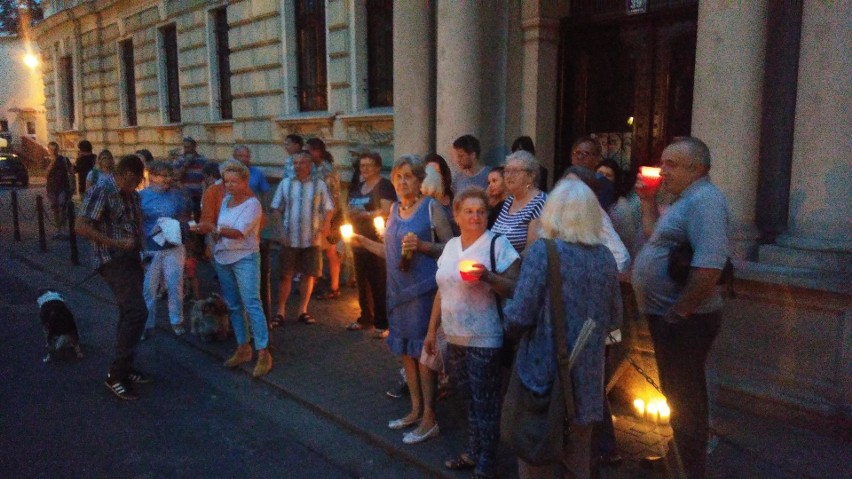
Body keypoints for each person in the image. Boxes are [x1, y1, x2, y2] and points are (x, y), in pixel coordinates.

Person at [504, 179, 623, 479]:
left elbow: (519, 315)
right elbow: (614, 319)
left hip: (543, 375)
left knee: (536, 456)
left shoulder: (543, 252)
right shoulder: (606, 258)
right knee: (577, 459)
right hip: (587, 380)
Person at [632, 137, 729, 479]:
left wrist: (680, 312)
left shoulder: (706, 202)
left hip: (686, 321)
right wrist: (647, 201)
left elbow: (710, 267)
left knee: (686, 399)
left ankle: (689, 470)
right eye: (663, 162)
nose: (663, 170)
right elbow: (652, 237)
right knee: (676, 394)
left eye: (671, 164)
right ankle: (678, 459)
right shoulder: (683, 202)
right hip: (671, 318)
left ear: (697, 168)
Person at [352, 154, 454, 445]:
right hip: (398, 294)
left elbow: (450, 247)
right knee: (406, 353)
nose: (402, 181)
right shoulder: (394, 210)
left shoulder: (432, 208)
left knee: (424, 355)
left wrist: (423, 246)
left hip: (424, 294)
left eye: (408, 175)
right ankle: (415, 410)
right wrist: (363, 243)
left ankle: (430, 418)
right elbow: (390, 253)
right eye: (398, 177)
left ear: (420, 180)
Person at [425, 187, 520, 478]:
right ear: (456, 215)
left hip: (485, 337)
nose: (475, 216)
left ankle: (486, 464)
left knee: (486, 403)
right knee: (467, 400)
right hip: (454, 336)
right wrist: (432, 332)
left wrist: (488, 277)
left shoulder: (498, 245)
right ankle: (471, 452)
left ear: (487, 215)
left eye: (480, 211)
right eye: (468, 211)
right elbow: (441, 291)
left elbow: (516, 287)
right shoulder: (452, 246)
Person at [75, 154, 150, 400]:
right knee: (136, 311)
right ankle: (116, 376)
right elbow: (82, 226)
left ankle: (126, 367)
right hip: (112, 259)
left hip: (131, 259)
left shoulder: (131, 195)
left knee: (129, 313)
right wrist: (116, 242)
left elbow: (134, 226)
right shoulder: (103, 190)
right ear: (126, 174)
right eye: (136, 181)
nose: (138, 186)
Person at [201, 160, 271, 377]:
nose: (229, 186)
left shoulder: (252, 204)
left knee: (252, 304)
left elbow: (240, 232)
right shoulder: (226, 201)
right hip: (224, 258)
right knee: (233, 305)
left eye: (234, 182)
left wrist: (212, 228)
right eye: (226, 181)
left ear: (244, 182)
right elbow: (221, 229)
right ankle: (243, 347)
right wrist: (211, 233)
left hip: (245, 258)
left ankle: (263, 352)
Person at [270, 151, 334, 326]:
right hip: (290, 238)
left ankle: (303, 311)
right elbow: (276, 208)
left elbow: (329, 208)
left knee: (308, 275)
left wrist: (324, 226)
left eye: (302, 163)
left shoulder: (319, 185)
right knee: (285, 275)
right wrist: (280, 232)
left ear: (310, 165)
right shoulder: (285, 184)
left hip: (311, 238)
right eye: (295, 163)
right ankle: (280, 311)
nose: (298, 166)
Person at [345, 151, 397, 334]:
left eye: (368, 165)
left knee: (378, 282)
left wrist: (365, 215)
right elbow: (349, 206)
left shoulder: (384, 186)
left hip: (377, 241)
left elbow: (387, 210)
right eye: (362, 166)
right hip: (358, 240)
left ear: (377, 167)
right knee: (361, 282)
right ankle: (365, 317)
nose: (364, 169)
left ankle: (382, 322)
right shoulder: (358, 187)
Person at [139, 161, 191, 338]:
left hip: (173, 246)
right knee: (149, 289)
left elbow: (185, 215)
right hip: (151, 248)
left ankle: (176, 320)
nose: (167, 179)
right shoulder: (142, 196)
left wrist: (177, 224)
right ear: (152, 176)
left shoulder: (176, 195)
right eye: (163, 175)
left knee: (175, 284)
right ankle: (146, 324)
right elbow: (137, 222)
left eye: (169, 175)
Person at [306, 137, 343, 300]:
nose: (307, 154)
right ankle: (320, 284)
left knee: (328, 250)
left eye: (309, 151)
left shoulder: (326, 170)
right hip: (318, 215)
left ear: (317, 151)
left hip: (328, 216)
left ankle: (332, 286)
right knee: (325, 251)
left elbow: (333, 196)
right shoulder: (316, 168)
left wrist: (329, 221)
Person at [490, 150, 546, 253]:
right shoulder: (509, 201)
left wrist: (507, 266)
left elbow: (532, 250)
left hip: (519, 267)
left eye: (515, 171)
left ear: (531, 176)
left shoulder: (540, 203)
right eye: (507, 171)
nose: (509, 175)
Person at [571, 136, 615, 210]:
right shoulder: (565, 182)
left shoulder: (603, 185)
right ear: (571, 158)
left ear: (597, 159)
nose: (580, 157)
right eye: (577, 153)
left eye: (586, 153)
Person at [422, 153, 458, 235]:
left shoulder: (455, 196)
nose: (434, 177)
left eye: (437, 172)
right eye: (431, 174)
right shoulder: (421, 202)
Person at [173, 137, 208, 219]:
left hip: (198, 196)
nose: (187, 149)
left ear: (194, 147)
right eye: (185, 147)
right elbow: (176, 177)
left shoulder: (202, 160)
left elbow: (206, 178)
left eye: (188, 147)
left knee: (198, 218)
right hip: (184, 195)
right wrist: (186, 164)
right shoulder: (179, 160)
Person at [45, 141, 74, 240]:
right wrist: (52, 162)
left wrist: (73, 186)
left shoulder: (64, 159)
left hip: (63, 187)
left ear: (58, 149)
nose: (53, 151)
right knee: (55, 209)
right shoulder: (46, 160)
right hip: (51, 188)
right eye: (51, 149)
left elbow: (71, 172)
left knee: (63, 207)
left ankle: (64, 228)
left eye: (55, 149)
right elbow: (46, 174)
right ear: (48, 149)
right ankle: (58, 229)